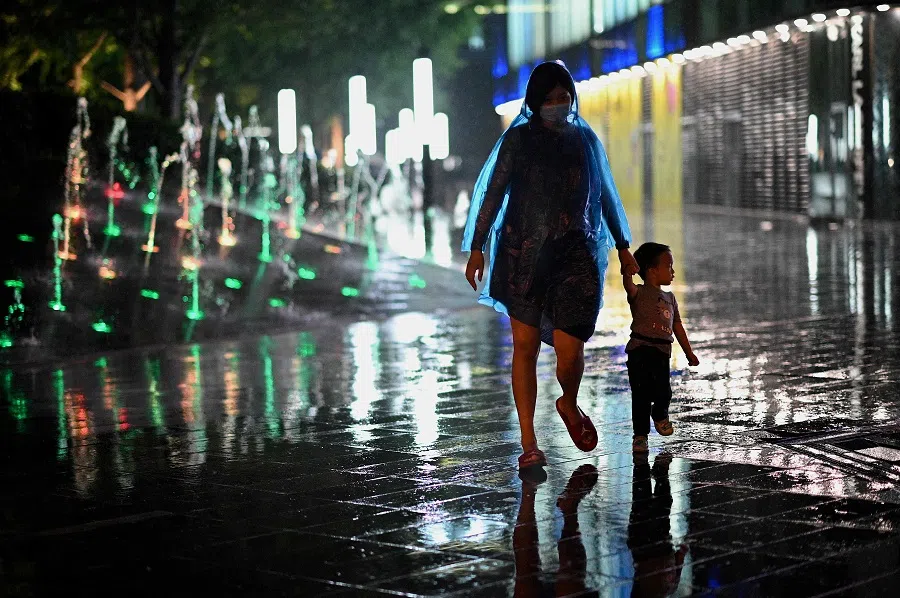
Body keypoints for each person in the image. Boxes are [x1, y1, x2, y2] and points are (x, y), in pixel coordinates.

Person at [463, 61, 638, 470]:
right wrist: (477, 246)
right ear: (535, 102)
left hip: (576, 257)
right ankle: (529, 443)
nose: (559, 104)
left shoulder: (585, 141)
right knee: (524, 348)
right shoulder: (518, 141)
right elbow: (493, 194)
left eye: (564, 97)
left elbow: (607, 196)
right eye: (550, 98)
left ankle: (569, 402)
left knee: (570, 351)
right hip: (521, 256)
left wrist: (624, 245)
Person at [623, 243, 699, 453]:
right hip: (639, 349)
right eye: (669, 266)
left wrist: (688, 352)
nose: (673, 271)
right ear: (652, 270)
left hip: (662, 352)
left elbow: (677, 326)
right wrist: (627, 273)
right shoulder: (639, 292)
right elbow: (628, 286)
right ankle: (640, 435)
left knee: (663, 391)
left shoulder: (671, 298)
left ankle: (660, 414)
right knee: (640, 395)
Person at [627, 452, 689, 597]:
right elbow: (678, 564)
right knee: (662, 502)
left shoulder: (664, 589)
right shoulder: (669, 588)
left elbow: (678, 563)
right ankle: (659, 471)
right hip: (658, 544)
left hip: (644, 547)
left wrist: (681, 552)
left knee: (644, 501)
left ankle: (644, 466)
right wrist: (681, 551)